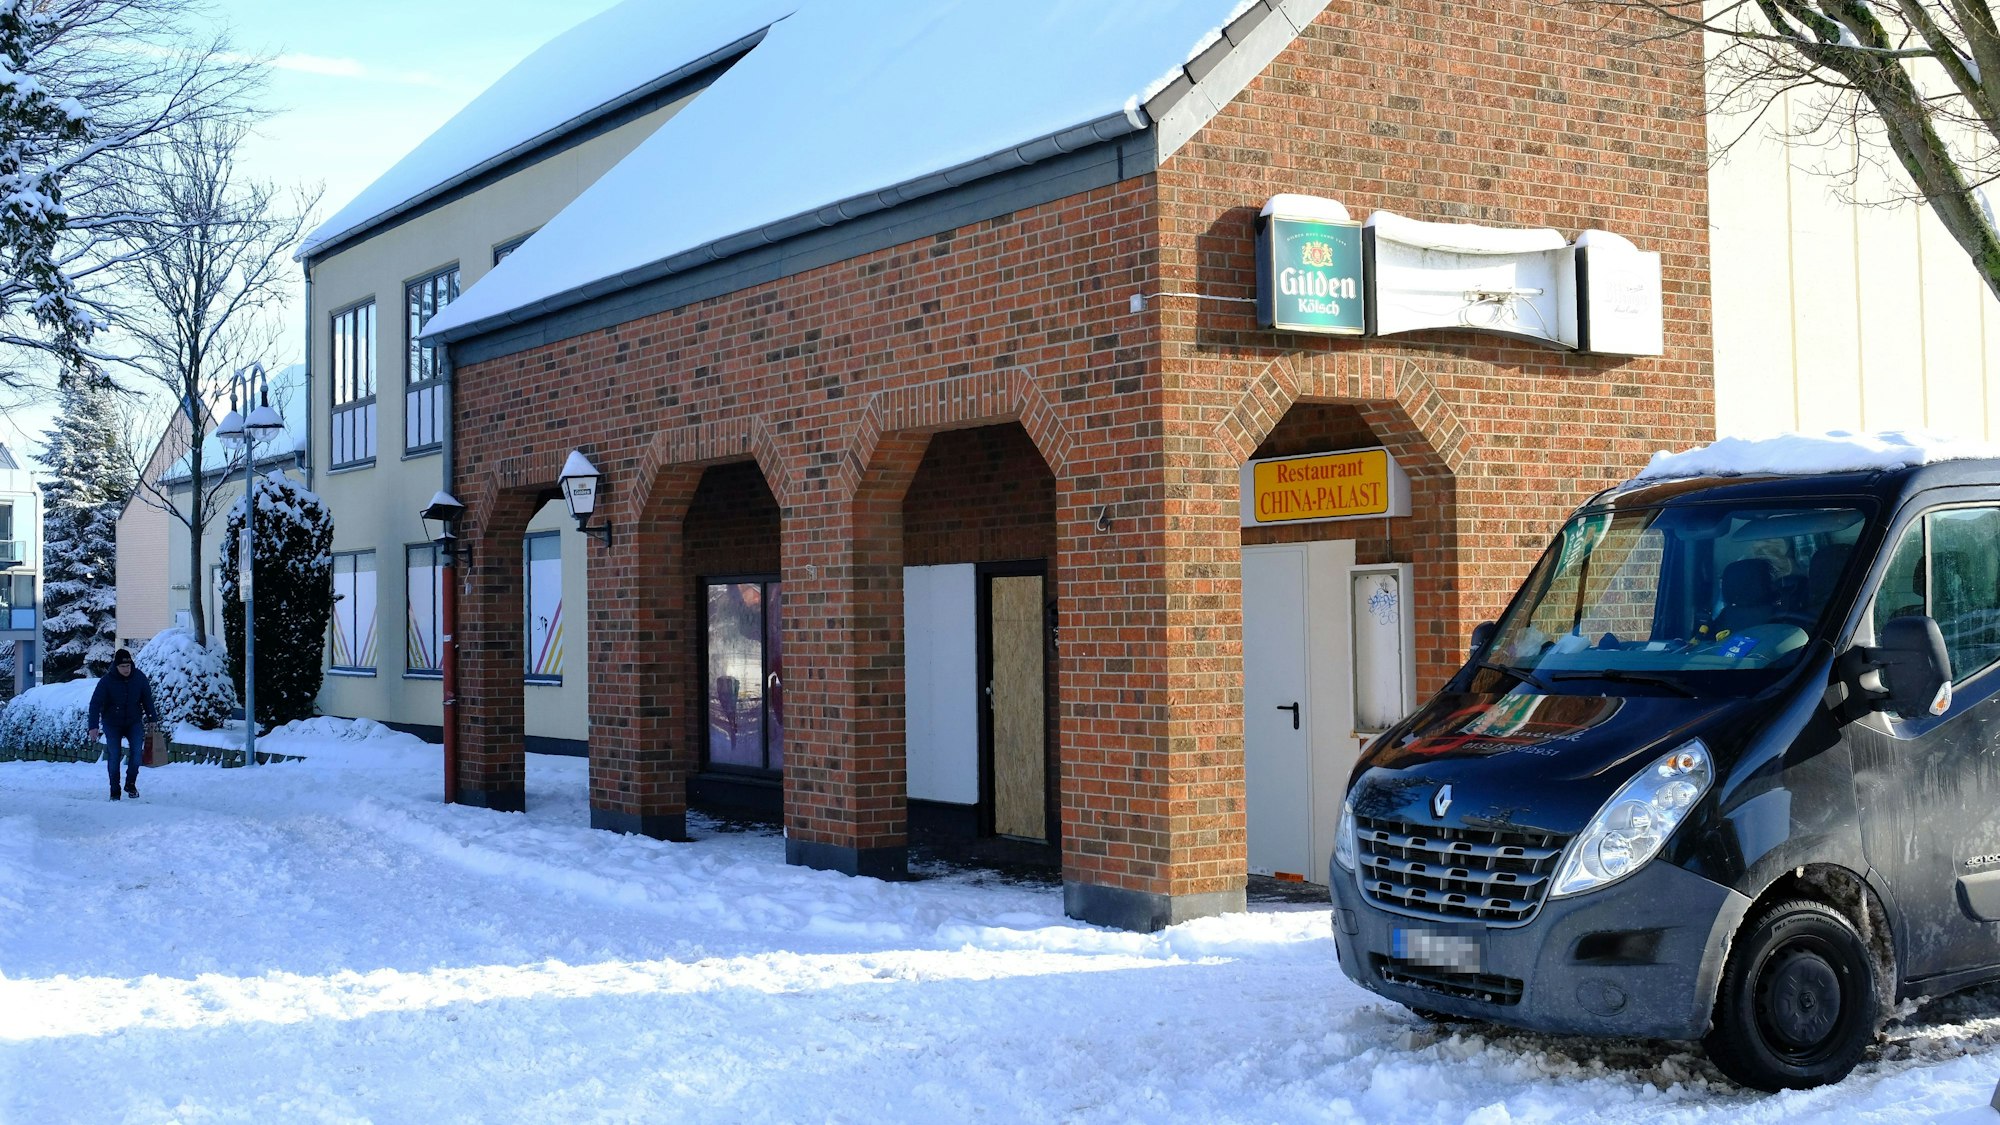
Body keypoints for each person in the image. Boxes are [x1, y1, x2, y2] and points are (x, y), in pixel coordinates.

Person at [87, 648, 160, 801]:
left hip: (133, 721)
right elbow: (95, 703)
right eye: (122, 667)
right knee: (114, 755)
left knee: (136, 754)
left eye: (128, 666)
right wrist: (93, 726)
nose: (126, 670)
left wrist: (152, 718)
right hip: (112, 723)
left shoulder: (139, 677)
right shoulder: (106, 681)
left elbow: (147, 699)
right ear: (116, 666)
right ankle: (115, 790)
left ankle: (130, 783)